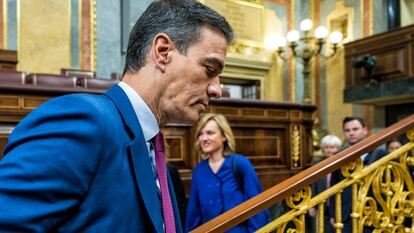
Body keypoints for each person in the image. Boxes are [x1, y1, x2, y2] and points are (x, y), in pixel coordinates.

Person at [0, 0, 234, 232]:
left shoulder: (151, 145)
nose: (216, 89)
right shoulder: (84, 121)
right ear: (163, 51)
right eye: (209, 70)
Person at [185, 113, 270, 233]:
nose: (204, 138)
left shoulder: (240, 164)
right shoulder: (199, 170)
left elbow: (257, 206)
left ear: (224, 136)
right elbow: (193, 213)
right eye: (201, 134)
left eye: (210, 133)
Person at [330, 116, 387, 233]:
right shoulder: (339, 156)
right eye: (347, 130)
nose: (351, 133)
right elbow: (333, 188)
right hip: (345, 216)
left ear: (365, 130)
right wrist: (333, 214)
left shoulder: (381, 155)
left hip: (373, 214)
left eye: (355, 129)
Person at [308, 135, 342, 233]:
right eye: (326, 147)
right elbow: (313, 185)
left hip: (338, 203)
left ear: (338, 148)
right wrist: (312, 205)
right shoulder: (318, 164)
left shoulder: (343, 163)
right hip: (322, 204)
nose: (329, 150)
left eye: (332, 147)